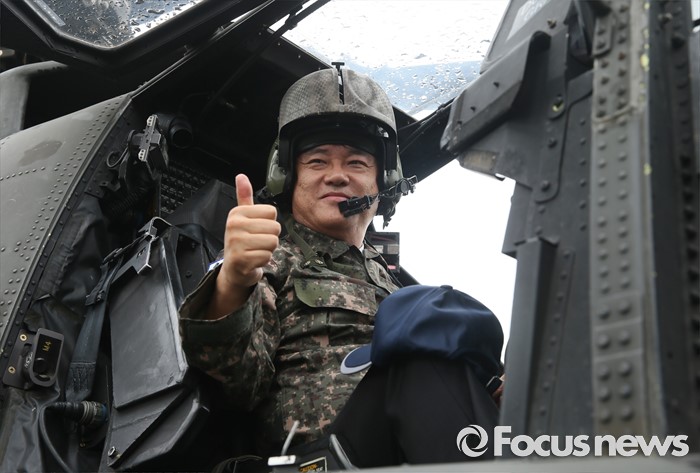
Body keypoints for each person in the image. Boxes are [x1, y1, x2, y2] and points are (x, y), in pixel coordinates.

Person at [178, 66, 503, 467]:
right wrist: (234, 279)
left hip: (410, 449)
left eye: (356, 163)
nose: (336, 176)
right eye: (317, 161)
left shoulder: (395, 285)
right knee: (419, 362)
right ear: (287, 178)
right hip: (323, 458)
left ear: (384, 181)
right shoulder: (271, 257)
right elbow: (237, 383)